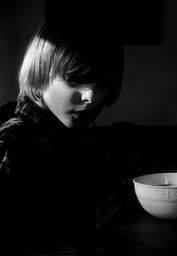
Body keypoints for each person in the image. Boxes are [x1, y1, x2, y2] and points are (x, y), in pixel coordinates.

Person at [0, 21, 124, 255]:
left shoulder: (79, 139)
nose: (91, 96)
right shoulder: (14, 141)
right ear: (38, 79)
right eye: (75, 80)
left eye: (104, 84)